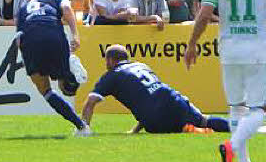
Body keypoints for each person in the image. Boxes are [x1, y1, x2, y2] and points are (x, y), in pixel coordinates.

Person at [185, 0, 266, 162]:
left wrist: (192, 43)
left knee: (236, 107)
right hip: (257, 46)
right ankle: (231, 145)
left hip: (229, 48)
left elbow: (205, 13)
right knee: (258, 110)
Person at [82, 45, 229, 134]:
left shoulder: (112, 75)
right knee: (204, 120)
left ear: (110, 60)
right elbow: (151, 96)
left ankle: (192, 129)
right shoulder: (141, 65)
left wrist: (84, 128)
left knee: (178, 128)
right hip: (172, 100)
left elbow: (90, 101)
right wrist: (136, 129)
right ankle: (239, 127)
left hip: (154, 118)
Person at [15, 0, 90, 135]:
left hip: (31, 39)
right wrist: (75, 34)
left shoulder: (23, 7)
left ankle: (81, 126)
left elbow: (19, 38)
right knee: (66, 89)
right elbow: (67, 10)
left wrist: (28, 58)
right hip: (53, 35)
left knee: (46, 91)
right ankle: (68, 70)